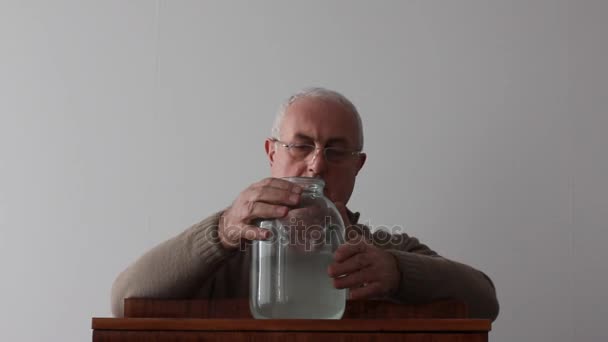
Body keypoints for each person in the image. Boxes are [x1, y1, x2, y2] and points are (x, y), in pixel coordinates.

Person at [111, 87, 499, 320]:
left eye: (336, 151)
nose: (315, 164)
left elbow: (484, 301)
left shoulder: (380, 252)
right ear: (271, 153)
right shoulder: (227, 252)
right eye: (300, 145)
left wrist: (397, 272)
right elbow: (123, 298)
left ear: (358, 165)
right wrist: (224, 229)